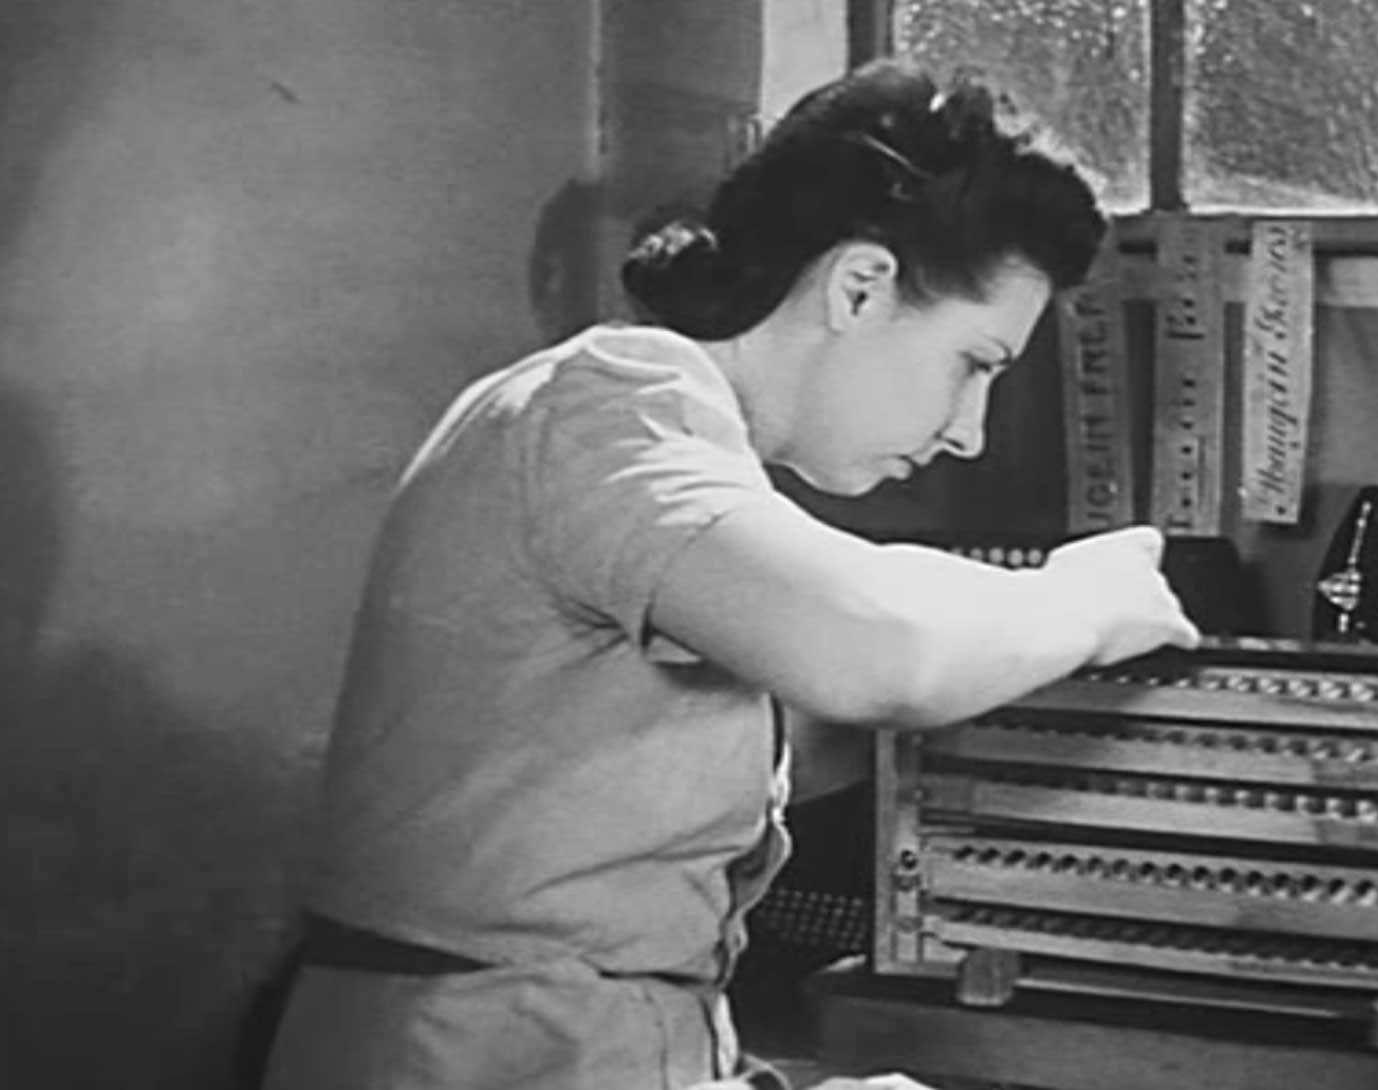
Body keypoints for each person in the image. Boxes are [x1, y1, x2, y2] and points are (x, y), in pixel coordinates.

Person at [260, 58, 1200, 1090]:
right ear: (859, 286)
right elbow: (880, 649)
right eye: (974, 363)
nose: (969, 431)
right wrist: (1083, 599)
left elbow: (663, 766)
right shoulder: (605, 410)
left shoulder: (659, 436)